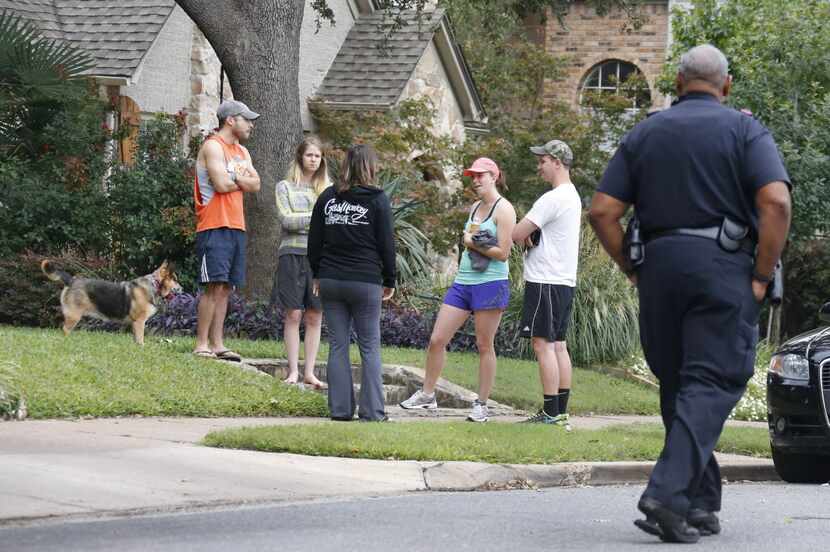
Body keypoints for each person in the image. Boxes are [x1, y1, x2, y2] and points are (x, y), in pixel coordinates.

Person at [589, 44, 791, 543]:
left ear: (677, 84)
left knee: (680, 384)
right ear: (725, 86)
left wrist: (632, 267)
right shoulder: (745, 130)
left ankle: (698, 504)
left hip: (660, 270)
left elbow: (601, 211)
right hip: (723, 269)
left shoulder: (645, 132)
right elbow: (777, 203)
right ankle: (666, 494)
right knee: (714, 379)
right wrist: (762, 274)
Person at [400, 157, 516, 423]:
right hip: (463, 282)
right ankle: (428, 395)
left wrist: (471, 243)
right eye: (472, 176)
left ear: (494, 176)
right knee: (437, 339)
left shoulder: (504, 210)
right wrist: (470, 242)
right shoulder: (475, 207)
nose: (475, 181)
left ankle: (481, 405)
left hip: (491, 284)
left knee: (484, 345)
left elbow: (503, 253)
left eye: (480, 176)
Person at [308, 144, 396, 422]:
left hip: (331, 280)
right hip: (365, 280)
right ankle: (372, 412)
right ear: (370, 167)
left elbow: (313, 242)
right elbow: (387, 244)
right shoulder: (377, 199)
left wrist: (318, 274)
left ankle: (341, 410)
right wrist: (390, 279)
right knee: (369, 345)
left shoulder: (328, 198)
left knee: (337, 345)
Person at [511, 140, 581, 429]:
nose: (539, 166)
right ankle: (560, 411)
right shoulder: (573, 196)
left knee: (543, 345)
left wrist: (527, 233)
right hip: (564, 281)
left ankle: (550, 413)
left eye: (542, 161)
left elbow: (516, 233)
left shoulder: (551, 198)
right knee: (559, 346)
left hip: (545, 281)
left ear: (556, 161)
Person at [192, 100, 261, 361]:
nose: (251, 124)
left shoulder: (242, 152)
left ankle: (218, 344)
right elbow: (220, 185)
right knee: (213, 286)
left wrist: (235, 180)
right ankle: (201, 345)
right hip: (213, 225)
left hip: (236, 225)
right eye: (247, 119)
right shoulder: (212, 146)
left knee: (226, 288)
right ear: (231, 120)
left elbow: (257, 184)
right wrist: (240, 181)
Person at [273, 137, 331, 387]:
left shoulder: (328, 189)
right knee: (293, 313)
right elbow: (286, 221)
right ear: (300, 157)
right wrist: (317, 217)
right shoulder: (284, 187)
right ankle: (293, 371)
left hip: (319, 259)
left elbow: (331, 224)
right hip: (291, 255)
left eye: (317, 156)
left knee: (315, 315)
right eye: (309, 155)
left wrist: (306, 219)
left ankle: (309, 372)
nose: (313, 160)